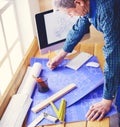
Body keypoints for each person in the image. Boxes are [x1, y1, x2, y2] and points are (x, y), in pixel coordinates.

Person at [47, 0, 120, 122]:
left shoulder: (106, 11)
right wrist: (61, 55)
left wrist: (106, 101)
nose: (70, 16)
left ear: (78, 2)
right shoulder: (87, 5)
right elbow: (80, 26)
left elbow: (112, 56)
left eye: (70, 12)